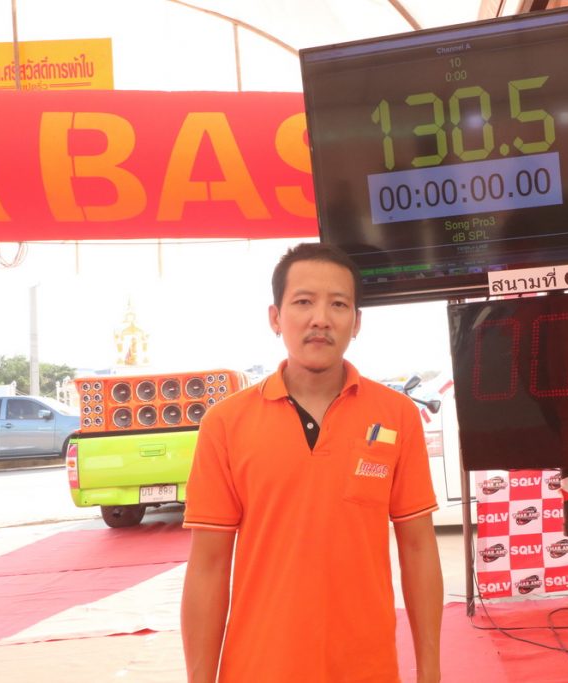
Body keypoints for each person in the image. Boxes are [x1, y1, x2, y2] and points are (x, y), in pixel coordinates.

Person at [180, 243, 443, 683]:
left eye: (338, 304)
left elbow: (418, 548)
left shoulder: (396, 415)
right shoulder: (225, 424)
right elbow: (208, 565)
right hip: (258, 668)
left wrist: (430, 672)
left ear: (356, 322)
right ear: (275, 317)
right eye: (303, 302)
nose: (321, 318)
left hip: (367, 669)